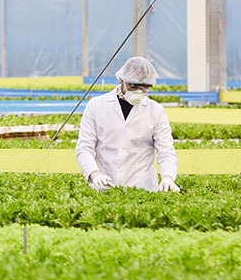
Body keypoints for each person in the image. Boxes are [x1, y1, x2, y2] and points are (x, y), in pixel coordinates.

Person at [75, 57, 179, 192]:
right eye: (133, 86)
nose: (138, 92)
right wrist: (95, 174)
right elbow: (84, 148)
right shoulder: (96, 105)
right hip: (104, 187)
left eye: (144, 88)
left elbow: (166, 151)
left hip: (143, 190)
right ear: (121, 80)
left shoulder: (156, 111)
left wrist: (168, 177)